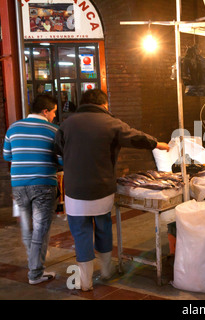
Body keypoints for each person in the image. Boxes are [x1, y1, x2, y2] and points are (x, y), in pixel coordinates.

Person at [55, 89, 170, 291]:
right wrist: (156, 144)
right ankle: (107, 271)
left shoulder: (67, 124)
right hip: (102, 187)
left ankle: (85, 282)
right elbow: (134, 137)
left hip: (74, 190)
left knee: (81, 232)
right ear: (103, 104)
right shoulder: (111, 122)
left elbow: (57, 148)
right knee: (103, 227)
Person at [3, 94, 62, 285]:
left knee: (28, 227)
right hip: (44, 183)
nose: (54, 116)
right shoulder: (54, 130)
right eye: (53, 112)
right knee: (40, 229)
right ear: (45, 111)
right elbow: (61, 160)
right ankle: (35, 272)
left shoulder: (13, 128)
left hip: (19, 184)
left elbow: (7, 156)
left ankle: (34, 262)